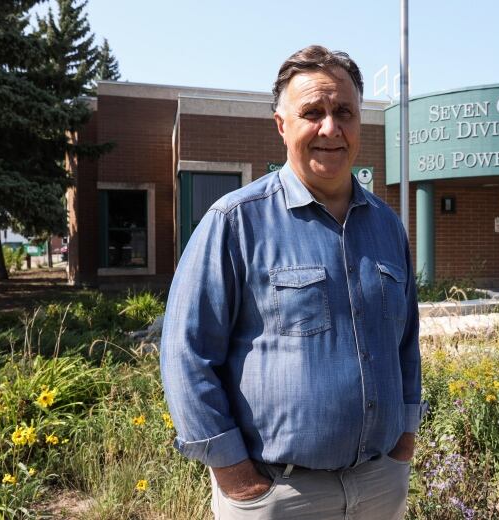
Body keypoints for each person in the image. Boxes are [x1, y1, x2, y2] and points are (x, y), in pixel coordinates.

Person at [160, 45, 424, 519]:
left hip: (380, 485)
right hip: (279, 495)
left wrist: (404, 440)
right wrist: (235, 475)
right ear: (282, 125)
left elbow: (405, 343)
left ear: (360, 121)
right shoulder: (235, 223)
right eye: (312, 112)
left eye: (344, 111)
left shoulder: (388, 227)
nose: (330, 127)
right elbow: (186, 353)